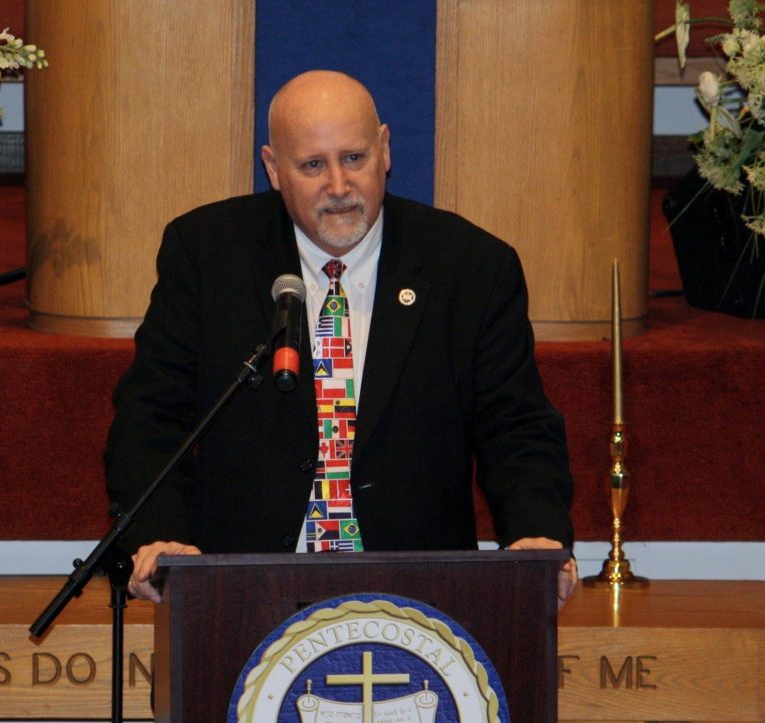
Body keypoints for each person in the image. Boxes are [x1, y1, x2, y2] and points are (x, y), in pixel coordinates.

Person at [104, 70, 577, 606]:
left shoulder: (471, 267)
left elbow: (516, 425)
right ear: (273, 169)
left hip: (418, 593)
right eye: (312, 165)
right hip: (242, 588)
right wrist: (162, 535)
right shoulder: (207, 254)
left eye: (354, 158)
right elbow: (151, 416)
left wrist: (537, 534)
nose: (338, 185)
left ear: (385, 150)